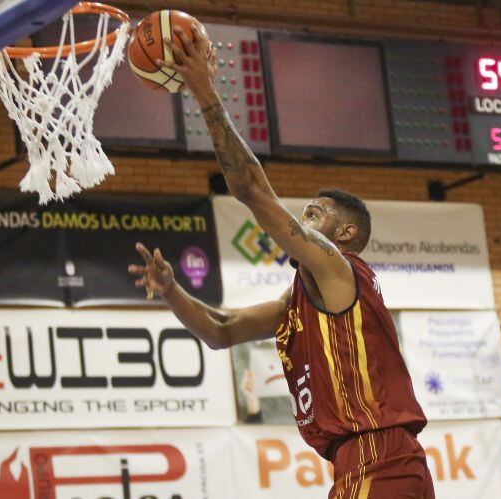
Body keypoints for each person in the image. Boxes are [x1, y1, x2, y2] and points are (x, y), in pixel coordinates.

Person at [128, 24, 433, 499]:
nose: (302, 220)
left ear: (345, 234)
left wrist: (206, 92)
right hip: (367, 460)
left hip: (378, 456)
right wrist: (171, 290)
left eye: (315, 214)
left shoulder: (340, 268)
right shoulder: (298, 302)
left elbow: (250, 190)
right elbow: (220, 330)